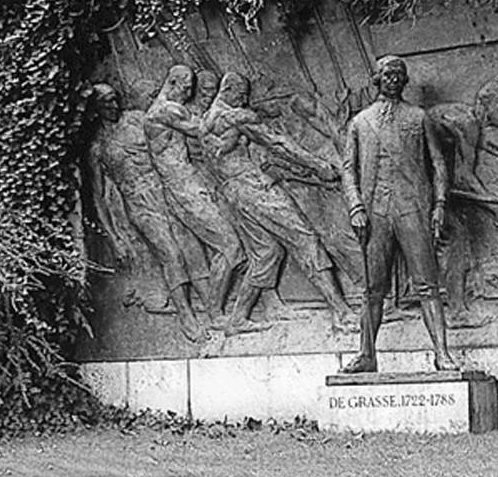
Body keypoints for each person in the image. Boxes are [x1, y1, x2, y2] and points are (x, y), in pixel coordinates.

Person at [199, 72, 355, 336]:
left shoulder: (205, 121)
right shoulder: (233, 117)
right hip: (252, 188)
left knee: (266, 253)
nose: (245, 99)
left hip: (232, 194)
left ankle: (237, 320)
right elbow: (276, 143)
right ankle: (341, 312)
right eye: (241, 94)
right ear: (229, 90)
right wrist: (317, 166)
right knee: (304, 238)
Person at [340, 55, 459, 373]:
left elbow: (438, 165)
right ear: (376, 79)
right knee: (371, 288)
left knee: (427, 283)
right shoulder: (360, 122)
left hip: (412, 208)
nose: (393, 78)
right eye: (387, 74)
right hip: (374, 212)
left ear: (405, 81)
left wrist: (439, 205)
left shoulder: (418, 118)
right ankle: (367, 354)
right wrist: (355, 207)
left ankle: (442, 353)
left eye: (399, 75)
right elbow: (348, 170)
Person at [88, 83, 208, 342]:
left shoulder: (137, 120)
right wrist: (113, 238)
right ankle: (186, 316)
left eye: (114, 98)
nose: (113, 105)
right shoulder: (98, 147)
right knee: (171, 254)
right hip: (139, 204)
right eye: (106, 102)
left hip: (165, 191)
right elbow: (98, 197)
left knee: (192, 248)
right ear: (95, 108)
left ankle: (212, 307)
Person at [144, 65, 244, 322]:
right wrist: (236, 116)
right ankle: (215, 313)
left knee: (227, 245)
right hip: (184, 190)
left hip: (188, 185)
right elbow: (202, 128)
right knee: (230, 245)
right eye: (186, 88)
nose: (189, 94)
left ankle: (221, 309)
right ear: (173, 81)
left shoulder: (166, 109)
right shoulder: (168, 110)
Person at [428, 80, 498, 326]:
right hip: (422, 190)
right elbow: (463, 176)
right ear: (484, 105)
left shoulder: (469, 122)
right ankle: (456, 312)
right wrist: (497, 207)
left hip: (433, 187)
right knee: (456, 237)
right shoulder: (467, 122)